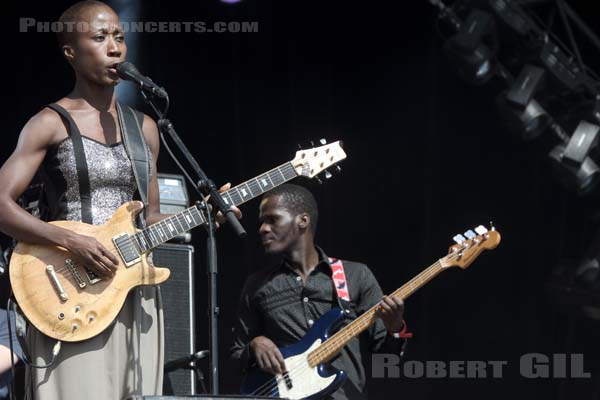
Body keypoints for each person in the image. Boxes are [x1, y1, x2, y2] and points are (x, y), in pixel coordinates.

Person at [0, 1, 238, 398]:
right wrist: (71, 240)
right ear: (70, 53)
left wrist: (202, 214)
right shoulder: (48, 123)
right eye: (99, 38)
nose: (114, 48)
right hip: (68, 292)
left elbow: (152, 218)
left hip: (133, 291)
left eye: (119, 38)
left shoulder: (145, 128)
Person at [231, 184, 408, 400]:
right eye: (262, 222)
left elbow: (387, 357)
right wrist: (254, 345)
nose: (263, 229)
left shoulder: (355, 275)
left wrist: (395, 328)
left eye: (272, 219)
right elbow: (236, 354)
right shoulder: (257, 285)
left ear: (302, 221)